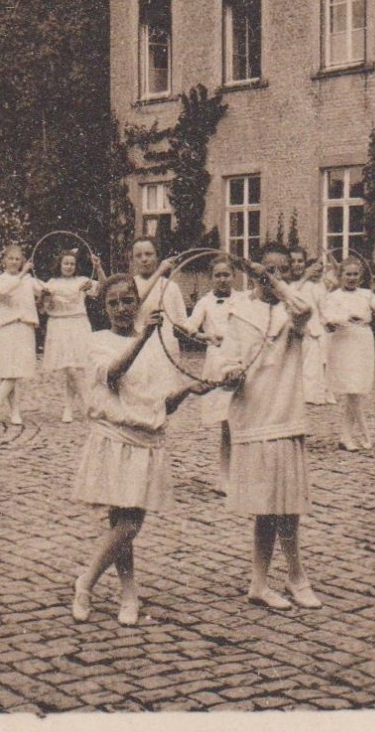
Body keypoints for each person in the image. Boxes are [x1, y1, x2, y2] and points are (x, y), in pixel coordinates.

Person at [70, 276, 207, 627]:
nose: (121, 308)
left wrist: (190, 388)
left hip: (146, 441)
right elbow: (114, 374)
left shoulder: (156, 345)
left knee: (127, 523)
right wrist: (145, 336)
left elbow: (162, 403)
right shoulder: (97, 341)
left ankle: (120, 591)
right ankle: (93, 584)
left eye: (127, 300)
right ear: (105, 308)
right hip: (114, 438)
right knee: (126, 523)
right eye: (113, 303)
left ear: (137, 303)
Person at [219, 245, 321, 610]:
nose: (273, 275)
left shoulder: (292, 310)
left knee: (289, 505)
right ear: (255, 270)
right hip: (254, 416)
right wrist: (230, 374)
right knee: (266, 507)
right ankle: (259, 583)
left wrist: (274, 283)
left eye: (281, 271)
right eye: (268, 269)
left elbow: (304, 309)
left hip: (285, 414)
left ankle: (296, 576)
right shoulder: (239, 311)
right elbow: (226, 363)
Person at [321, 257, 375, 451]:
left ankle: (346, 436)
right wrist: (345, 318)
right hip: (343, 341)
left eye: (355, 274)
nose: (351, 278)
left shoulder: (366, 294)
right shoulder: (333, 296)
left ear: (360, 276)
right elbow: (326, 317)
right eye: (348, 274)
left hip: (362, 340)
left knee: (357, 389)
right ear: (340, 276)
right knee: (351, 389)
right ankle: (363, 434)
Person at [182, 256, 239, 493]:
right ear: (210, 278)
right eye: (218, 275)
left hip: (240, 360)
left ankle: (244, 476)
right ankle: (225, 476)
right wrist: (206, 337)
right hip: (217, 362)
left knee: (242, 419)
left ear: (234, 276)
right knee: (227, 422)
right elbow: (188, 327)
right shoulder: (205, 302)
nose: (223, 279)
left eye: (227, 274)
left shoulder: (243, 299)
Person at [40, 249, 104, 423]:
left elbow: (104, 288)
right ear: (60, 265)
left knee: (76, 368)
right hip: (59, 325)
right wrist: (45, 297)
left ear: (76, 266)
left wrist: (98, 267)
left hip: (78, 324)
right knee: (69, 368)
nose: (68, 267)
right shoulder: (52, 283)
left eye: (72, 264)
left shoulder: (82, 281)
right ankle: (87, 403)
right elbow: (44, 309)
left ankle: (68, 408)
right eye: (65, 263)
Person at [0, 244, 44, 427]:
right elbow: (3, 292)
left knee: (14, 372)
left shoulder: (28, 280)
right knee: (10, 372)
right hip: (5, 329)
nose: (14, 262)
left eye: (17, 259)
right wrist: (22, 275)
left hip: (24, 328)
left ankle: (14, 412)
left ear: (23, 261)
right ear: (3, 261)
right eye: (10, 258)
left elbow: (44, 289)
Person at [130, 237, 190, 393]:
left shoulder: (171, 287)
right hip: (138, 347)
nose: (144, 259)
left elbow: (183, 323)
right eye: (139, 255)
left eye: (149, 254)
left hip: (166, 349)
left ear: (157, 256)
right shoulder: (130, 285)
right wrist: (159, 272)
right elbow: (136, 303)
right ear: (132, 259)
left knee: (165, 396)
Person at [288, 247, 336, 406]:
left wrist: (330, 257)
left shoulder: (314, 284)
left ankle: (317, 394)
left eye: (300, 261)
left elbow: (323, 301)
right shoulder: (290, 283)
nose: (296, 264)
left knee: (317, 362)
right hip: (296, 329)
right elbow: (291, 296)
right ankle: (305, 395)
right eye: (293, 261)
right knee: (303, 364)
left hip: (313, 328)